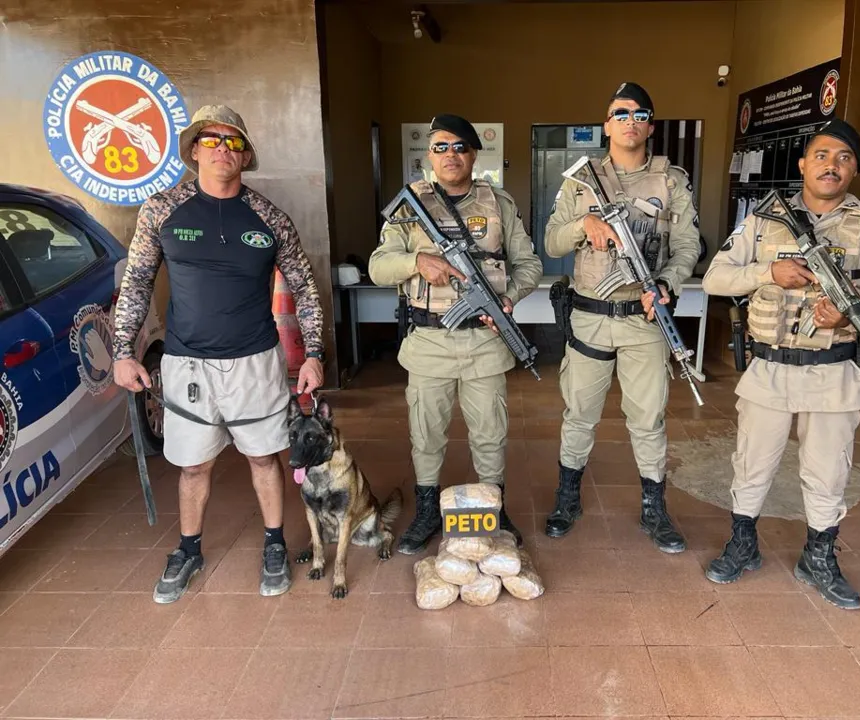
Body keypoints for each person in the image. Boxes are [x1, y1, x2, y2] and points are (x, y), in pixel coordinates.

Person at [112, 105, 326, 603]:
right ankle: (188, 549)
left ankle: (274, 543)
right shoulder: (162, 210)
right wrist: (124, 351)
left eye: (233, 142)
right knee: (193, 466)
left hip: (256, 360)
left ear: (246, 155)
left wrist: (314, 354)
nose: (222, 150)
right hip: (187, 363)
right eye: (211, 140)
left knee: (263, 458)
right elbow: (138, 280)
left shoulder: (270, 217)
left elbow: (305, 289)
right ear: (193, 150)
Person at [701, 119, 860, 610]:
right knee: (752, 463)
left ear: (855, 170)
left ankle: (818, 556)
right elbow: (715, 278)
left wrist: (856, 314)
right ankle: (743, 543)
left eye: (843, 158)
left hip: (834, 370)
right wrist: (767, 272)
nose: (831, 165)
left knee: (828, 472)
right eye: (821, 155)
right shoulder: (762, 222)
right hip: (770, 367)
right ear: (803, 164)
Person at [368, 114, 543, 555]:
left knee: (490, 432)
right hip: (428, 341)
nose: (452, 155)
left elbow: (530, 265)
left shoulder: (498, 203)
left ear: (474, 154)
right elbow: (377, 266)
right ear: (429, 154)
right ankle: (428, 509)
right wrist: (417, 262)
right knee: (426, 433)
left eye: (461, 147)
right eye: (442, 147)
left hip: (484, 342)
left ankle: (494, 508)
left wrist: (509, 298)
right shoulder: (409, 207)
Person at [543, 82, 701, 552]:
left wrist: (668, 283)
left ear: (650, 125)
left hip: (644, 319)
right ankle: (567, 496)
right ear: (607, 124)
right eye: (620, 113)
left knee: (648, 418)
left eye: (640, 114)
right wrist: (582, 225)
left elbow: (688, 245)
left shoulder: (671, 180)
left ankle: (654, 507)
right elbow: (550, 242)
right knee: (579, 414)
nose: (630, 120)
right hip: (590, 315)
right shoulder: (579, 180)